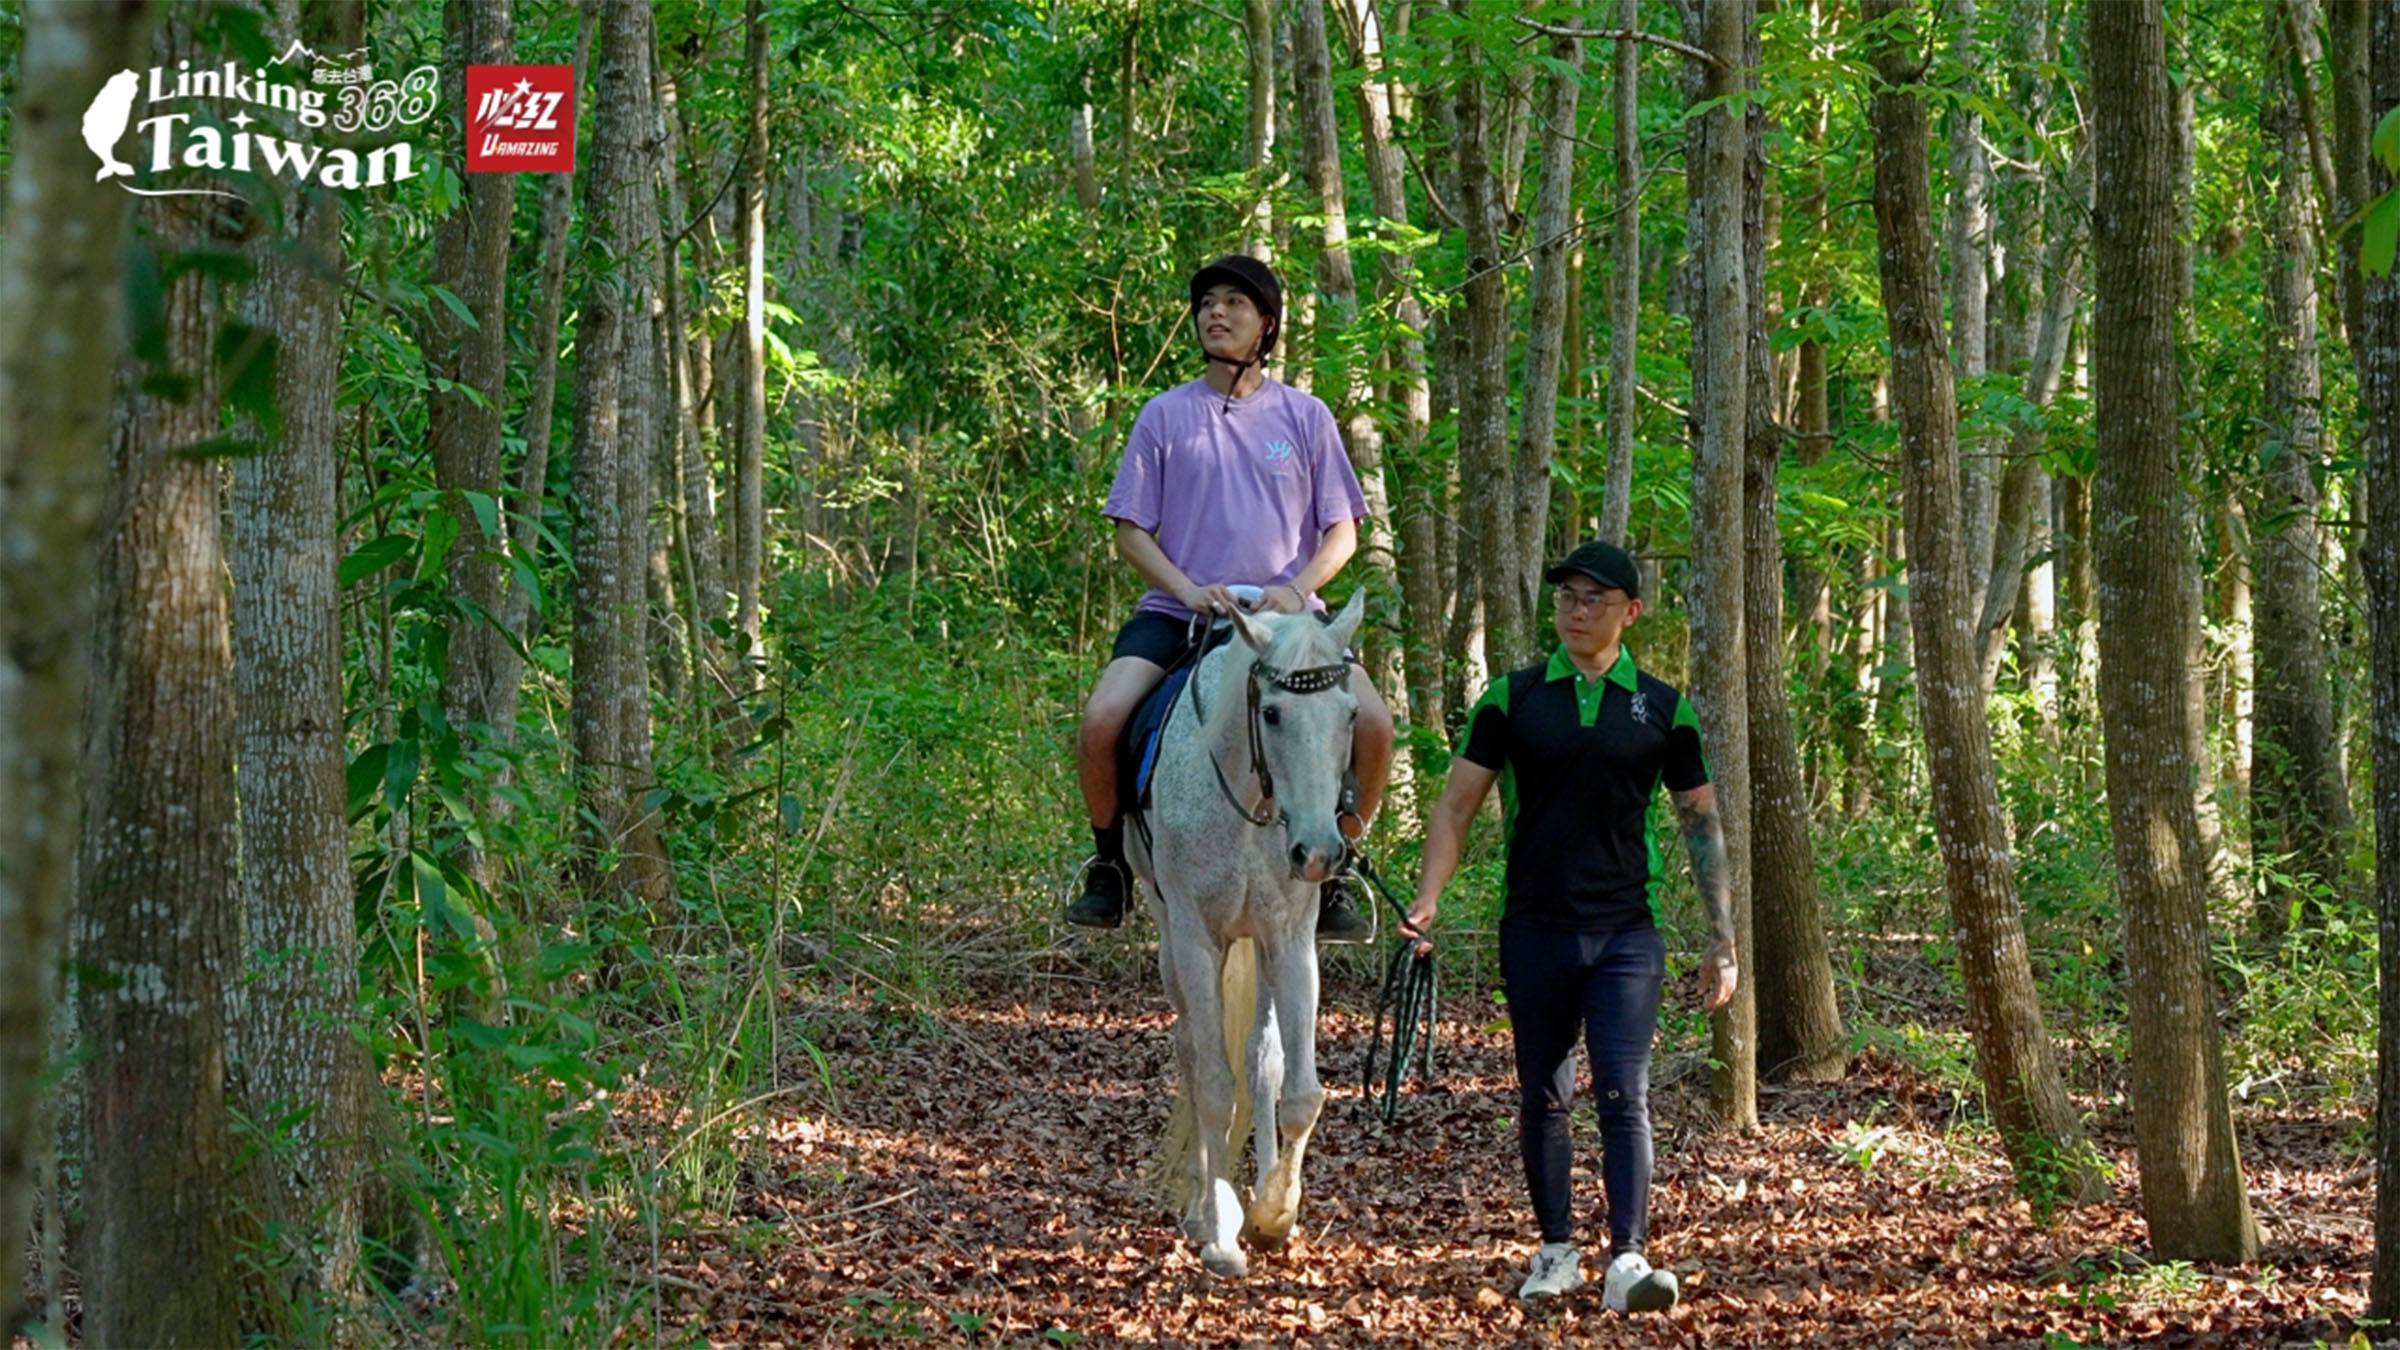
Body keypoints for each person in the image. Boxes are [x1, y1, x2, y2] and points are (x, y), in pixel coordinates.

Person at [1400, 539, 1739, 1311]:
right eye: (1567, 599)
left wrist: (1724, 938)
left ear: (1631, 611)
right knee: (1544, 1095)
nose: (1578, 612)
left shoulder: (1661, 706)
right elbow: (1457, 806)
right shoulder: (1512, 698)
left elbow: (1700, 821)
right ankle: (1556, 1250)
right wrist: (1428, 900)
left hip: (1627, 932)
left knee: (1624, 1093)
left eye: (1595, 600)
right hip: (1536, 927)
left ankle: (1627, 1258)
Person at [1064, 253, 1394, 942]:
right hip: (1181, 617)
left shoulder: (1306, 417)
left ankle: (1341, 860)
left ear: (1267, 325)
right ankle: (1109, 867)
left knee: (1373, 726)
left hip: (1291, 624)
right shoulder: (1163, 416)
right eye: (1208, 302)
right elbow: (1131, 531)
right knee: (1101, 721)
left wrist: (1294, 590)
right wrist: (1186, 590)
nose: (1216, 313)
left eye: (1235, 304)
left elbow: (1341, 533)